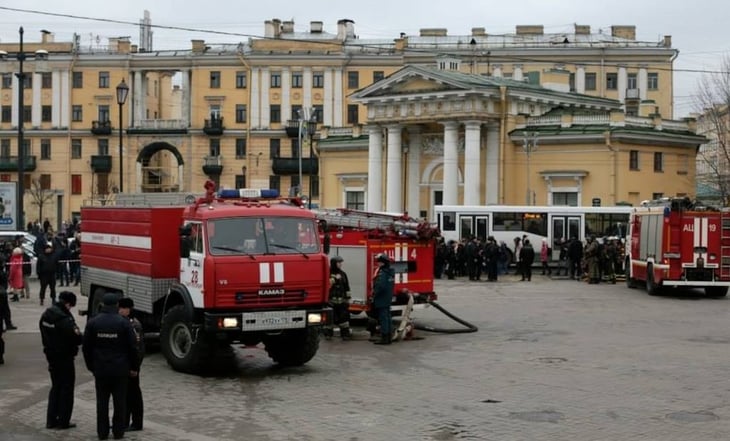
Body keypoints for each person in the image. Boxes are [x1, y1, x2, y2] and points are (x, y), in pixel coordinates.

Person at [83, 293, 138, 440]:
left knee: (102, 403)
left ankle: (102, 432)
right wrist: (134, 367)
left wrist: (91, 366)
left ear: (102, 304)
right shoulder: (124, 323)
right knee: (120, 402)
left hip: (101, 370)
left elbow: (86, 347)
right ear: (117, 305)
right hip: (120, 370)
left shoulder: (93, 323)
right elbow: (133, 347)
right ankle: (118, 432)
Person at [39, 291, 83, 430]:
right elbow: (76, 338)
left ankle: (51, 420)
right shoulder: (64, 319)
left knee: (55, 387)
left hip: (51, 355)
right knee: (66, 388)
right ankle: (63, 420)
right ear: (68, 303)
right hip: (64, 357)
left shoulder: (46, 315)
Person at [118, 298, 144, 432]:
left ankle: (136, 423)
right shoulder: (124, 322)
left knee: (133, 395)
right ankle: (124, 422)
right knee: (126, 395)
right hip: (125, 366)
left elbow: (138, 349)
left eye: (122, 308)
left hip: (132, 367)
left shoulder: (134, 325)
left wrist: (135, 367)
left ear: (128, 309)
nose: (120, 310)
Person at [324, 256, 353, 340]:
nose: (341, 264)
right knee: (330, 319)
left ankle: (345, 335)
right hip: (330, 301)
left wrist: (348, 298)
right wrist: (334, 279)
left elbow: (347, 287)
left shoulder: (343, 274)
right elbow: (327, 285)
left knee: (344, 319)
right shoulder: (327, 273)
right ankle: (328, 334)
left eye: (341, 263)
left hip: (342, 302)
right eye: (339, 263)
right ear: (334, 263)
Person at [371, 253, 395, 345]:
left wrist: (374, 294)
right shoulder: (390, 272)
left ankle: (384, 337)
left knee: (383, 318)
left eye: (379, 262)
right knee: (388, 317)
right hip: (387, 297)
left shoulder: (382, 273)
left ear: (383, 263)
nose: (378, 264)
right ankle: (388, 336)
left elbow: (380, 286)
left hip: (381, 298)